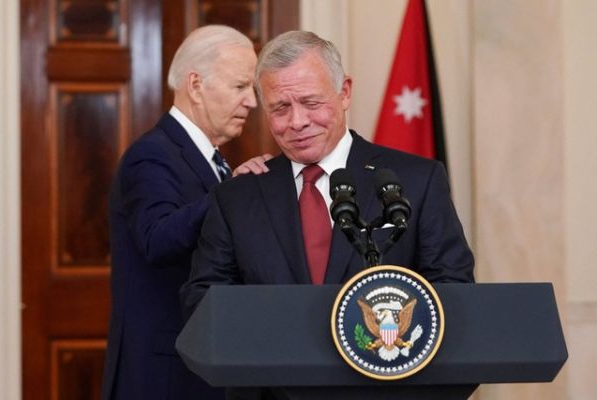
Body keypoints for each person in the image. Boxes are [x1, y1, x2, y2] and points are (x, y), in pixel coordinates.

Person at [180, 30, 474, 316]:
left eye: (311, 103)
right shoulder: (236, 197)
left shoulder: (417, 180)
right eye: (280, 108)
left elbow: (452, 290)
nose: (297, 122)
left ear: (344, 93)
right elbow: (203, 302)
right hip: (275, 362)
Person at [101, 25, 260, 400]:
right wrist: (231, 192)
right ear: (195, 85)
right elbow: (157, 239)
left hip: (199, 363)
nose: (252, 101)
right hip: (164, 373)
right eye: (240, 87)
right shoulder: (153, 155)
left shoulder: (210, 159)